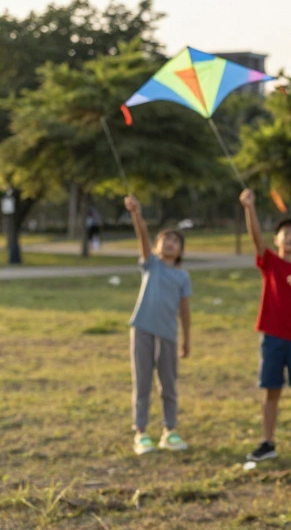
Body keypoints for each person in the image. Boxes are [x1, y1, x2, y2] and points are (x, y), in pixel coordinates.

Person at [240, 189, 291, 463]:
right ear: (276, 240)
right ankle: (268, 441)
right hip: (272, 338)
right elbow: (254, 237)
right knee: (271, 391)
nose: (290, 237)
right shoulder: (271, 263)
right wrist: (250, 208)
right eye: (285, 233)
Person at [125, 195, 192, 455]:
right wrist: (136, 213)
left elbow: (184, 311)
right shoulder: (150, 264)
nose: (171, 243)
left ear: (181, 251)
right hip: (141, 329)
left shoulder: (182, 276)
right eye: (166, 239)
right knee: (142, 382)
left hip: (168, 335)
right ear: (155, 246)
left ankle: (169, 430)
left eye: (176, 241)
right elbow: (141, 234)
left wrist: (187, 339)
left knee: (168, 384)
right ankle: (141, 432)